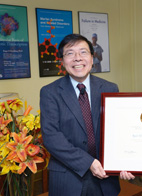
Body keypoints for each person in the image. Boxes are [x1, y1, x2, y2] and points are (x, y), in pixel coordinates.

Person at [40, 34, 133, 196]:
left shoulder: (110, 88)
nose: (77, 58)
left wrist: (125, 161)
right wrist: (88, 162)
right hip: (67, 178)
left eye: (83, 52)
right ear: (62, 61)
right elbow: (51, 137)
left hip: (105, 178)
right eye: (70, 53)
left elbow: (118, 130)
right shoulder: (50, 92)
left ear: (92, 57)